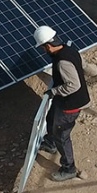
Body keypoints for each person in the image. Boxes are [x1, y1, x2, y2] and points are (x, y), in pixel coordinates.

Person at [34, 25, 90, 182]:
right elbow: (83, 65)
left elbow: (73, 85)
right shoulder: (70, 50)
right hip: (64, 102)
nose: (43, 51)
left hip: (70, 105)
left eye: (43, 48)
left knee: (62, 136)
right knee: (51, 119)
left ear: (48, 46)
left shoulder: (62, 62)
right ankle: (50, 143)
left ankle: (69, 168)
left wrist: (53, 91)